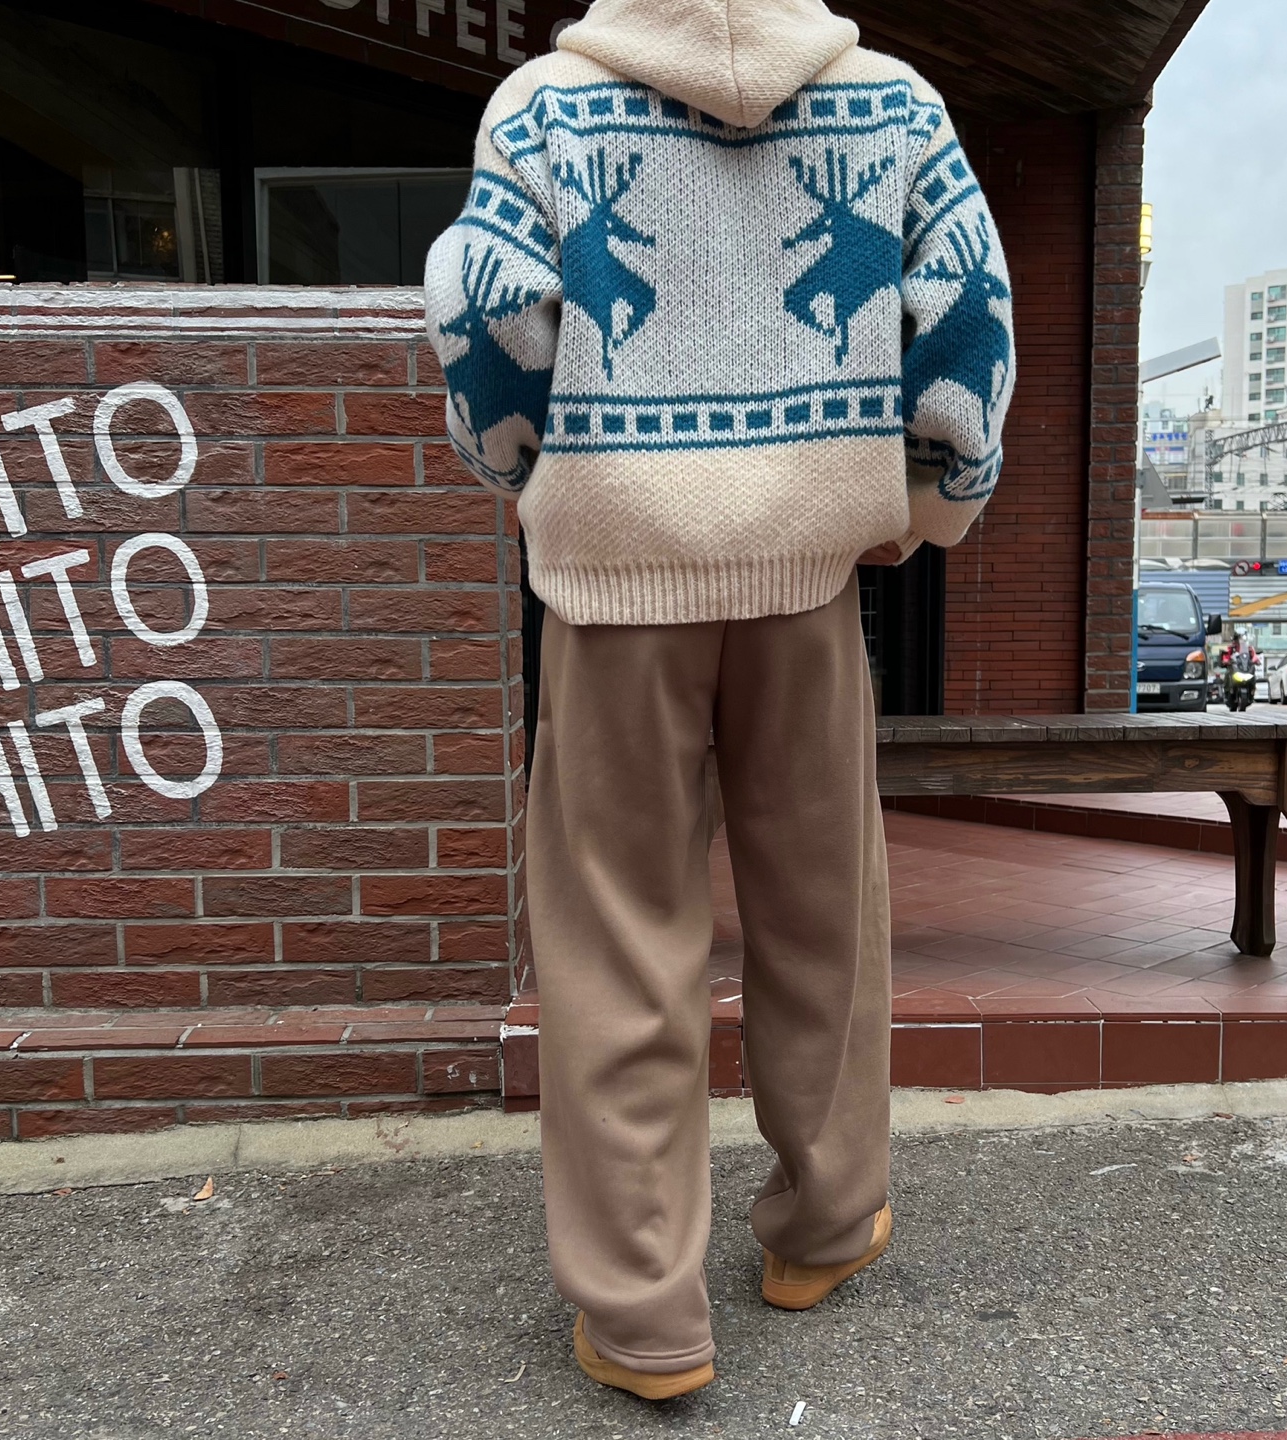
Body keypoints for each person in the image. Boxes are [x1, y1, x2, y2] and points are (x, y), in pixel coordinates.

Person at [424, 0, 1014, 1400]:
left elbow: (482, 313)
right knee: (823, 911)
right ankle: (823, 1227)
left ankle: (645, 1317)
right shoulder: (893, 103)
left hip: (612, 591)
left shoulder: (543, 108)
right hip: (809, 582)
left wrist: (525, 478)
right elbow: (970, 315)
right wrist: (929, 501)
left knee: (618, 931)